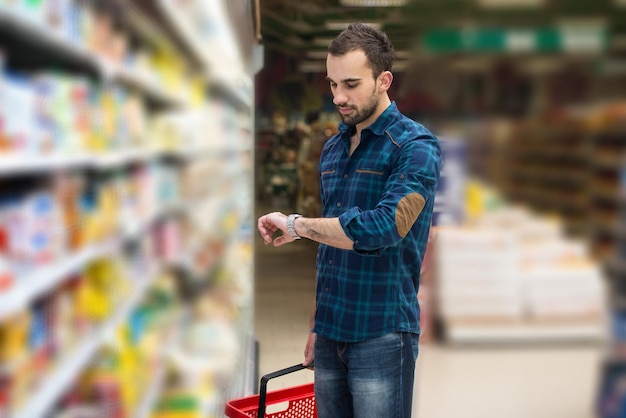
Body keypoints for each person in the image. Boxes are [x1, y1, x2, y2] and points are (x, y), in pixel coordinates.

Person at [257, 22, 441, 418]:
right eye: (332, 84)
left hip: (382, 333)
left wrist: (296, 225)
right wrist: (315, 324)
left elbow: (383, 227)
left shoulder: (415, 147)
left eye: (351, 84)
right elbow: (329, 253)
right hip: (330, 332)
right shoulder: (333, 150)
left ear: (384, 80)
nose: (338, 97)